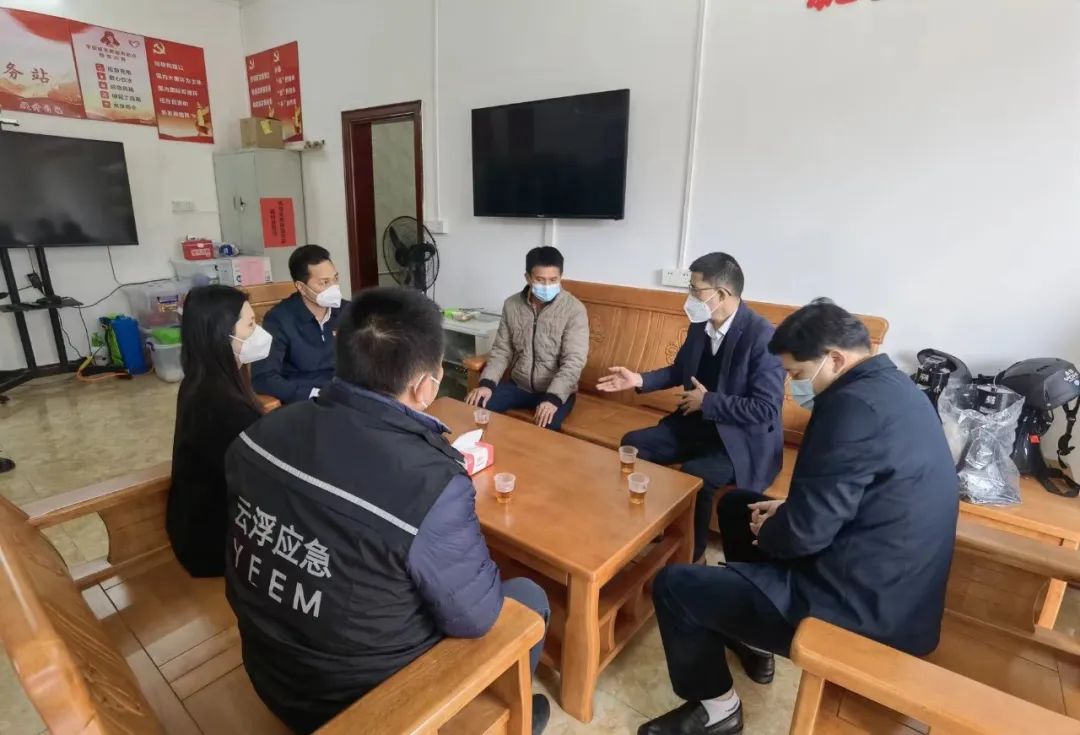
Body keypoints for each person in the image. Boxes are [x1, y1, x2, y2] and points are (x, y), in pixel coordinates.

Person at [225, 286, 551, 735]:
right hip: (361, 704)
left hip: (272, 676)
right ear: (426, 386)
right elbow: (476, 619)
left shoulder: (259, 432)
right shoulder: (431, 482)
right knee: (528, 598)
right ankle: (512, 721)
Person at [638, 299, 959, 735]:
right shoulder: (893, 386)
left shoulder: (850, 410)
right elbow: (857, 492)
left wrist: (776, 528)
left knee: (675, 585)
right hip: (888, 576)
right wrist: (786, 513)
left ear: (835, 359)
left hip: (863, 610)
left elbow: (802, 537)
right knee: (738, 505)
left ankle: (718, 709)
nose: (793, 386)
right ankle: (754, 642)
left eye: (797, 374)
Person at [597, 252, 786, 561]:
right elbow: (680, 370)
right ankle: (648, 527)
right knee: (634, 444)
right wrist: (638, 379)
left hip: (737, 440)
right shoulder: (700, 324)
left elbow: (765, 409)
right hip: (694, 423)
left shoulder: (762, 337)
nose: (690, 297)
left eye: (695, 290)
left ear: (721, 294)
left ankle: (692, 553)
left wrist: (707, 401)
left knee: (696, 474)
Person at [168, 285, 271, 578]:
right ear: (222, 334)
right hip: (215, 543)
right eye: (250, 324)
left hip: (201, 524)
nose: (259, 333)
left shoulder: (205, 379)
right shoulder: (220, 403)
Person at [465, 246, 588, 431]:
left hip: (555, 391)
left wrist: (553, 398)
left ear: (561, 277)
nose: (547, 285)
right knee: (476, 407)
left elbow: (574, 361)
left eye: (553, 280)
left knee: (547, 426)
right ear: (528, 278)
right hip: (518, 386)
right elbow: (502, 351)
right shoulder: (512, 305)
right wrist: (487, 384)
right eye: (540, 279)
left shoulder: (574, 310)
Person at [252, 245, 346, 404]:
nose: (333, 288)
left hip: (345, 396)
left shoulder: (348, 311)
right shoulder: (279, 319)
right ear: (301, 287)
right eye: (324, 282)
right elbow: (264, 377)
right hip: (304, 401)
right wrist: (313, 394)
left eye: (335, 279)